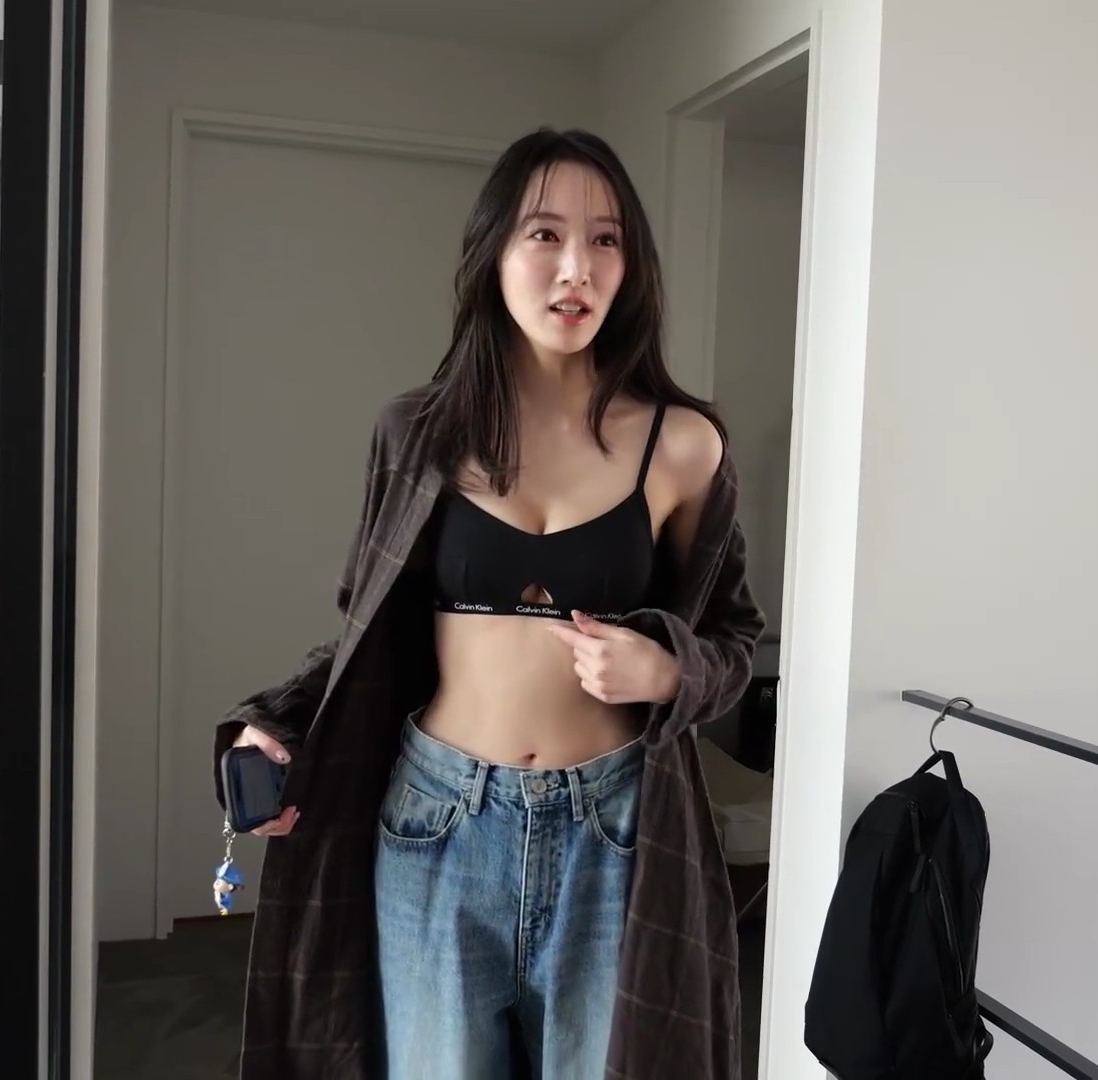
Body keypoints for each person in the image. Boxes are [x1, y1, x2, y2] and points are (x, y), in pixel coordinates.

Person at [214, 129, 765, 1079]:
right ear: (493, 254)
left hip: (616, 829)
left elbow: (737, 640)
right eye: (545, 235)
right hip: (439, 823)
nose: (576, 268)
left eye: (606, 240)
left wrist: (668, 668)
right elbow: (367, 635)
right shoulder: (418, 432)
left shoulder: (683, 446)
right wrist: (273, 725)